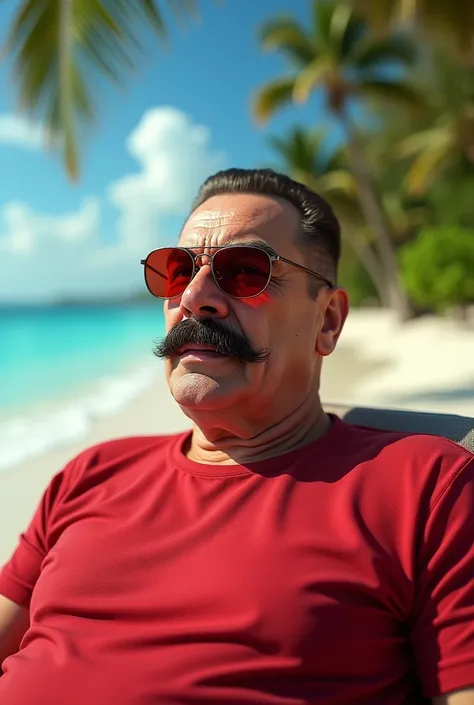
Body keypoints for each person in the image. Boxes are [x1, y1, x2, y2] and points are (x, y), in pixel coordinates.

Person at [0, 168, 473, 705]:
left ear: (328, 322)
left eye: (245, 272)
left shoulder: (427, 487)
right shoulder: (91, 474)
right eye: (177, 271)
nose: (196, 297)